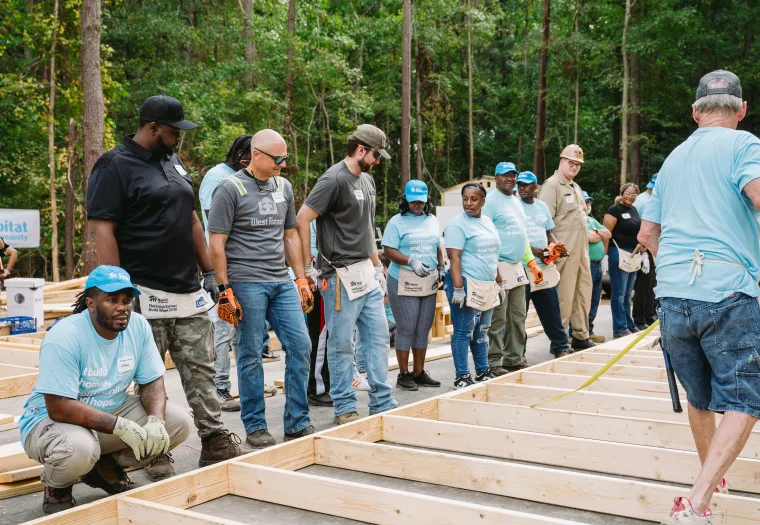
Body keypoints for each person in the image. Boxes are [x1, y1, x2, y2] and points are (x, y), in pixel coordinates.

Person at [86, 95, 241, 471]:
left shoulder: (173, 161)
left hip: (187, 289)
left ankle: (214, 437)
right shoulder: (114, 165)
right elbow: (101, 227)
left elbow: (190, 220)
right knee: (146, 374)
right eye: (173, 132)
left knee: (200, 366)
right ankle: (155, 449)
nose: (179, 139)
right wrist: (116, 288)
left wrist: (210, 273)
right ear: (152, 128)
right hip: (144, 289)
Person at [638, 70, 760, 525]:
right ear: (741, 109)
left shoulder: (673, 158)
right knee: (747, 398)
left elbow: (649, 232)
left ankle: (713, 473)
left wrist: (673, 273)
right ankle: (697, 502)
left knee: (701, 394)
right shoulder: (744, 145)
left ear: (695, 113)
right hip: (727, 290)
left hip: (672, 297)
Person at [18, 266, 193, 514]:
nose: (122, 307)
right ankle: (57, 485)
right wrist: (120, 426)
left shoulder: (138, 326)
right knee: (78, 449)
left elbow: (153, 381)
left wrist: (155, 420)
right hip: (50, 419)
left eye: (126, 300)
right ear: (91, 303)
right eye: (112, 300)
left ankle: (102, 465)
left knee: (178, 423)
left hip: (109, 410)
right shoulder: (66, 336)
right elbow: (58, 406)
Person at [208, 129, 315, 449]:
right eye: (277, 158)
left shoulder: (284, 186)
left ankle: (297, 421)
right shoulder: (230, 189)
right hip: (246, 282)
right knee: (250, 352)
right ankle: (255, 426)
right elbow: (217, 242)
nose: (283, 163)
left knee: (301, 345)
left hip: (281, 281)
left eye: (285, 158)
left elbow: (291, 235)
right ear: (256, 155)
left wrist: (300, 278)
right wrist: (224, 289)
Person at [296, 124, 397, 425]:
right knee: (341, 344)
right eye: (377, 155)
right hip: (339, 275)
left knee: (378, 337)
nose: (378, 161)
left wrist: (377, 266)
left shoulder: (366, 181)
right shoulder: (334, 179)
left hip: (366, 273)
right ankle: (344, 407)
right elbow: (302, 218)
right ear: (361, 149)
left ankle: (382, 401)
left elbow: (366, 227)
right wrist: (306, 268)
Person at [199, 134, 277, 412]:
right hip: (226, 266)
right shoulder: (218, 177)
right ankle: (219, 388)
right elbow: (215, 226)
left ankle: (243, 387)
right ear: (239, 154)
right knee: (223, 327)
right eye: (246, 156)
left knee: (244, 334)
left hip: (250, 267)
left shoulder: (252, 179)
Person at [482, 162, 544, 374]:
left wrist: (532, 263)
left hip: (517, 266)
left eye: (513, 176)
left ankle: (513, 358)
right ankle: (494, 361)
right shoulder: (490, 201)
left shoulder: (516, 201)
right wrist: (491, 268)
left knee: (518, 315)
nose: (510, 179)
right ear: (496, 177)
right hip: (498, 264)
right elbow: (484, 234)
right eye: (505, 175)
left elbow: (523, 236)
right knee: (498, 317)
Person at [382, 180, 444, 391]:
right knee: (407, 326)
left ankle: (419, 372)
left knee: (423, 327)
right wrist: (411, 261)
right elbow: (388, 250)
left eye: (420, 201)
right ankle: (403, 374)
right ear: (405, 200)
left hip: (428, 279)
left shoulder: (433, 220)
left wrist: (442, 267)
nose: (417, 205)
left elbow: (437, 246)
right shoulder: (396, 222)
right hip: (404, 278)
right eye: (413, 201)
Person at [444, 182, 502, 388]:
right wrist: (458, 289)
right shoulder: (457, 225)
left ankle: (482, 371)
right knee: (463, 331)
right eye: (465, 199)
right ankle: (462, 376)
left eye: (474, 199)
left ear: (483, 201)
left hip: (486, 285)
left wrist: (499, 283)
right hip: (466, 283)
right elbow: (455, 258)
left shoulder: (487, 222)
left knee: (482, 331)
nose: (469, 203)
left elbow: (493, 255)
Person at [538, 144, 595, 350]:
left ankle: (581, 336)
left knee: (582, 293)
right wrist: (552, 253)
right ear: (561, 162)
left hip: (581, 252)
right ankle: (560, 341)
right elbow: (543, 223)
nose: (575, 167)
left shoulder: (575, 187)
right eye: (571, 163)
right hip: (563, 253)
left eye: (578, 164)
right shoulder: (552, 186)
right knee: (563, 296)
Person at [518, 171, 572, 358]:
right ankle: (518, 354)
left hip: (544, 267)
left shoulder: (542, 207)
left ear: (535, 187)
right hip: (523, 268)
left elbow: (549, 234)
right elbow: (515, 238)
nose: (521, 188)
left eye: (526, 184)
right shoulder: (514, 207)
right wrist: (534, 251)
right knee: (519, 315)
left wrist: (555, 247)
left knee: (551, 310)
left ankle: (561, 347)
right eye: (519, 184)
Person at [603, 183, 642, 338]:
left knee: (627, 293)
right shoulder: (614, 210)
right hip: (618, 253)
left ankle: (629, 324)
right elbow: (607, 233)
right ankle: (619, 328)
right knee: (618, 293)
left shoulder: (634, 210)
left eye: (634, 194)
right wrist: (605, 256)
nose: (630, 197)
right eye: (628, 193)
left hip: (633, 255)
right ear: (622, 192)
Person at [632, 174, 658, 329]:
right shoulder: (642, 201)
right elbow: (638, 226)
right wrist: (642, 251)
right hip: (641, 247)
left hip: (649, 246)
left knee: (651, 285)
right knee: (642, 287)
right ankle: (639, 318)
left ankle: (649, 315)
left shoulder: (650, 199)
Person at [584, 191, 611, 343]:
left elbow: (608, 234)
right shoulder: (576, 220)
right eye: (584, 202)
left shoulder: (591, 221)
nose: (587, 205)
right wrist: (597, 234)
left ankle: (589, 329)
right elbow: (591, 238)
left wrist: (595, 232)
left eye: (588, 202)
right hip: (586, 265)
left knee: (595, 299)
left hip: (597, 265)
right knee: (583, 300)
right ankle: (575, 332)